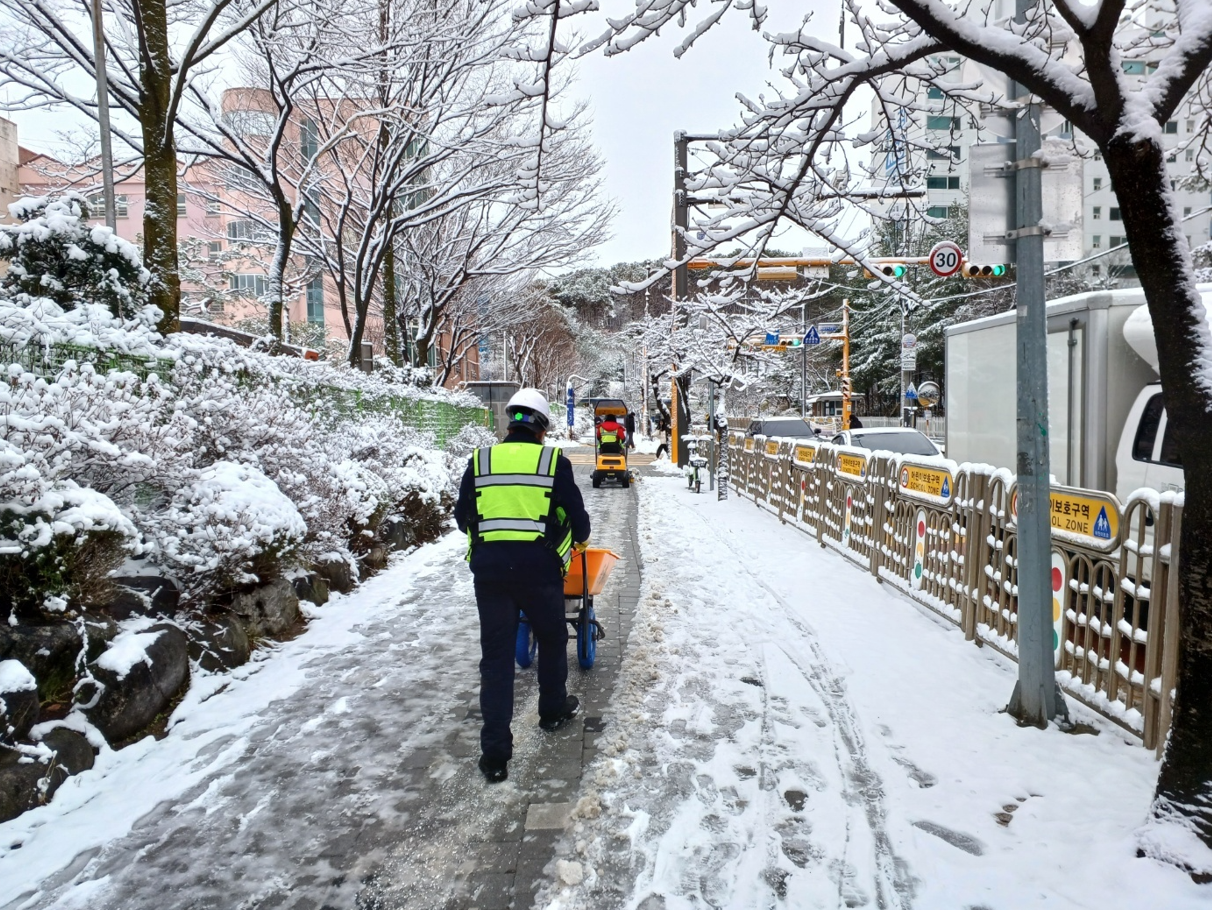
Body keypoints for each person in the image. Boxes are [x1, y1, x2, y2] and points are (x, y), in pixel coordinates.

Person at [454, 388, 591, 783]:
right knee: (551, 638)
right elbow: (579, 522)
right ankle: (551, 711)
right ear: (542, 428)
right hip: (540, 570)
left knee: (494, 660)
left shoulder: (479, 460)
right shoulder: (552, 461)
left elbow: (463, 517)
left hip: (490, 573)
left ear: (510, 421)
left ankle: (494, 755)